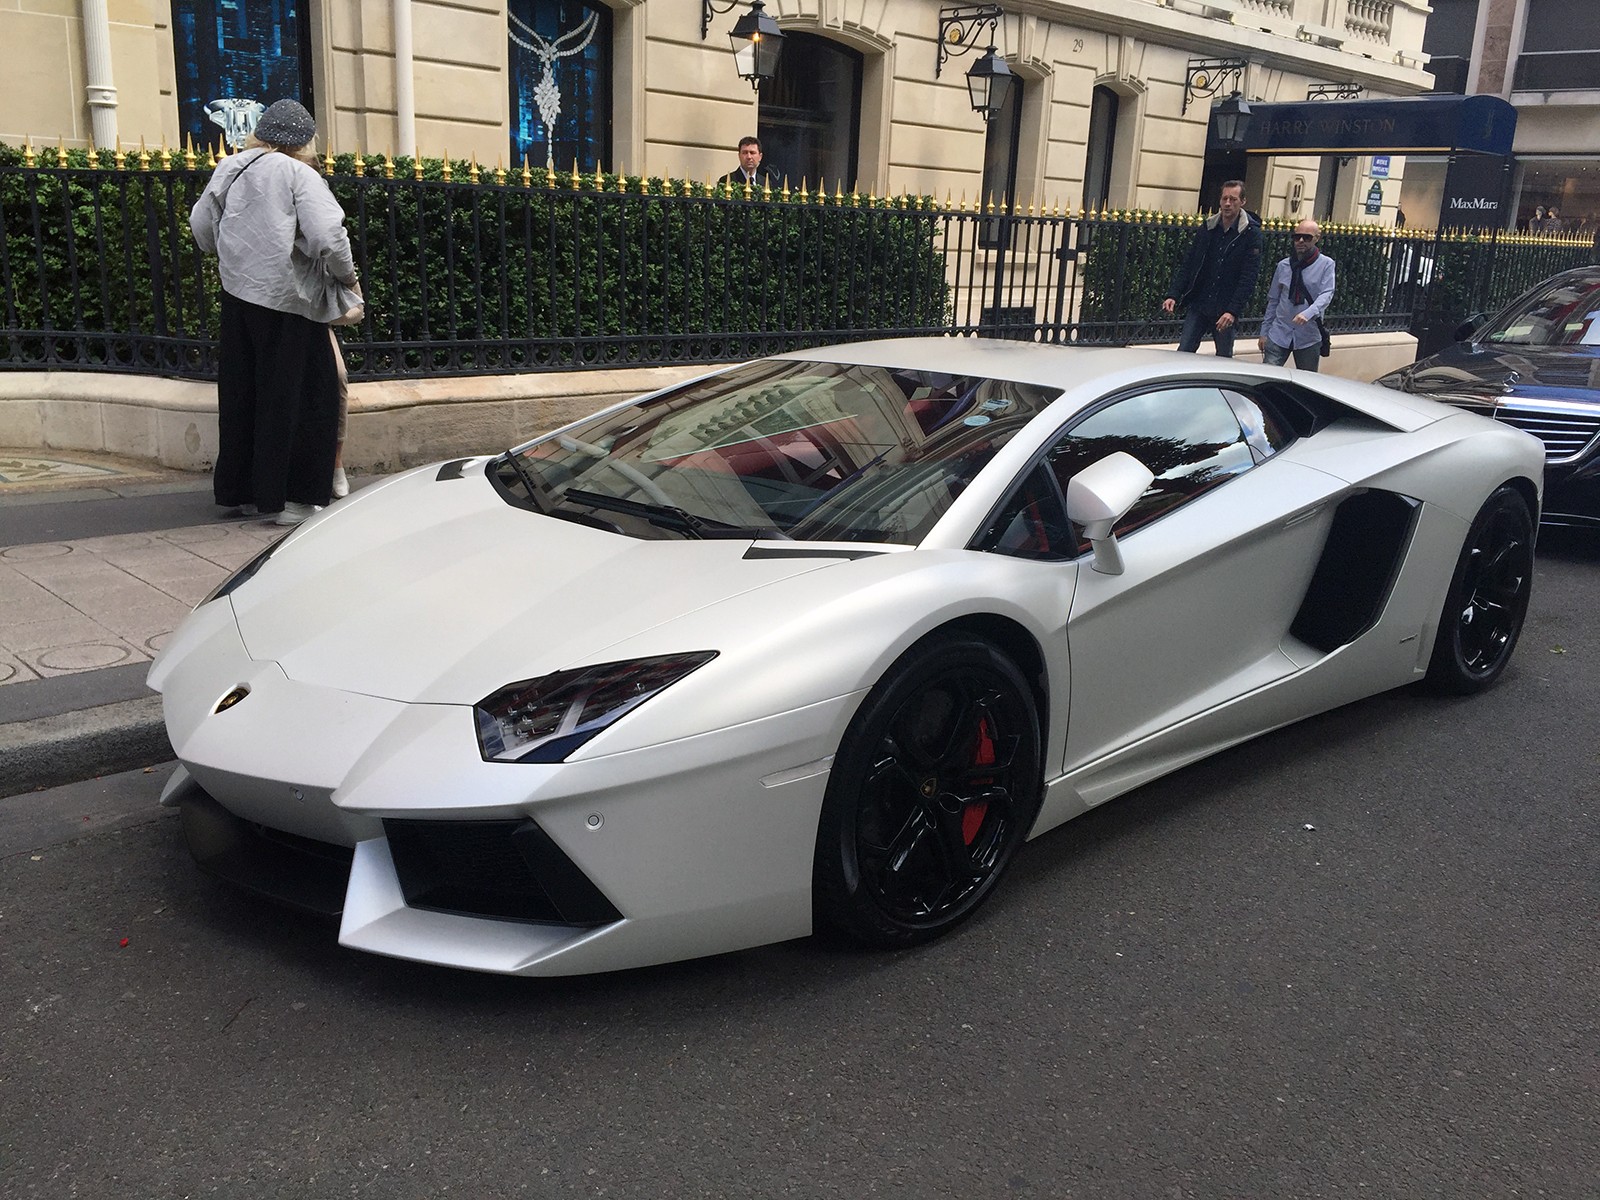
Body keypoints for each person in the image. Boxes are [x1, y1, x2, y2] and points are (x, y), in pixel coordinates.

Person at [189, 98, 356, 525]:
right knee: (302, 396)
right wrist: (347, 277)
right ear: (304, 141)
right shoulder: (300, 174)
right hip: (290, 300)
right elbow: (327, 236)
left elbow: (202, 228)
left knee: (244, 392)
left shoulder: (231, 167)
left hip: (238, 297)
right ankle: (294, 499)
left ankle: (242, 491)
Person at [1161, 180, 1262, 357]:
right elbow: (1190, 264)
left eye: (1233, 199)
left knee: (1223, 358)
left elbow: (1248, 277)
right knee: (1183, 353)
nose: (1228, 203)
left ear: (1243, 202)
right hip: (1200, 303)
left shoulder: (1251, 234)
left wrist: (1232, 311)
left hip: (1225, 308)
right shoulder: (1207, 228)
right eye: (1224, 199)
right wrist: (1173, 294)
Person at [1258, 219, 1336, 372]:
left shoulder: (1326, 264)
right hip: (1279, 332)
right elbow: (1273, 300)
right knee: (1267, 376)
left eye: (1306, 237)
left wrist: (1308, 313)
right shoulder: (1283, 266)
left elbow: (1326, 293)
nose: (1300, 241)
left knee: (1307, 381)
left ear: (1316, 238)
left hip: (1308, 334)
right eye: (1297, 237)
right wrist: (1264, 332)